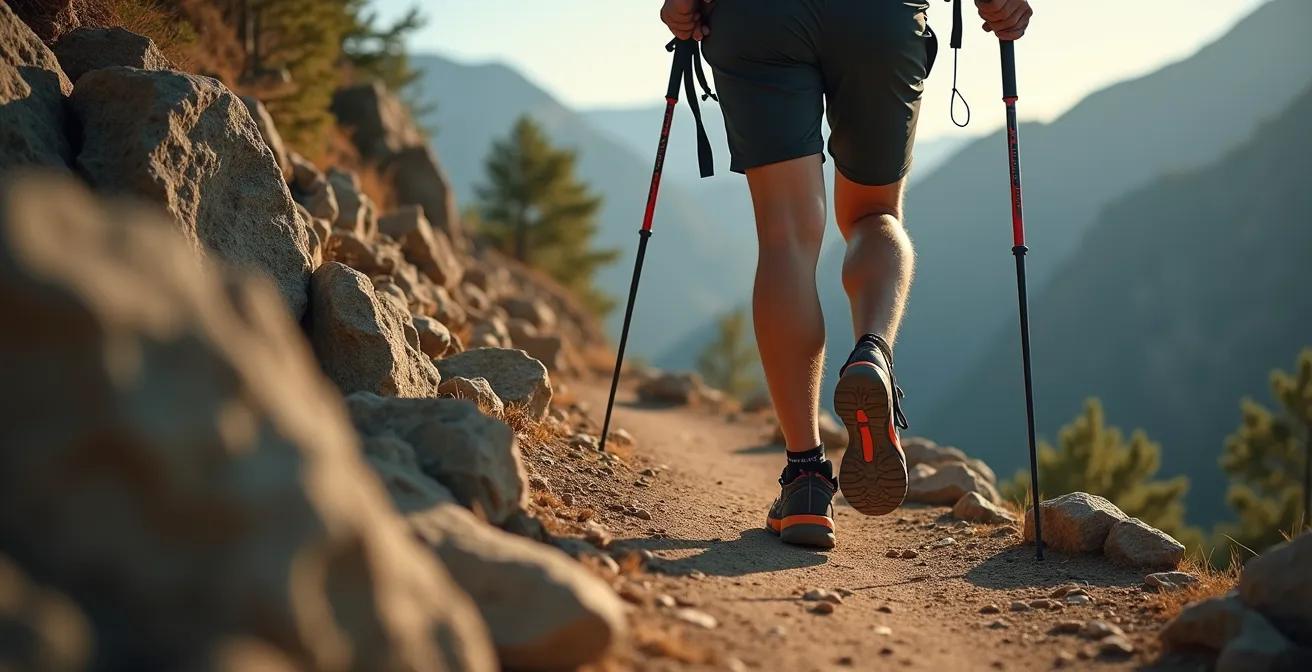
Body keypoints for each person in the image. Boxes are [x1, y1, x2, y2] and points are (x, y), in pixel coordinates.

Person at [660, 0, 1034, 549]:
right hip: (877, 17)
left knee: (787, 237)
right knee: (873, 215)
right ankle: (873, 351)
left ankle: (806, 480)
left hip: (760, 20)